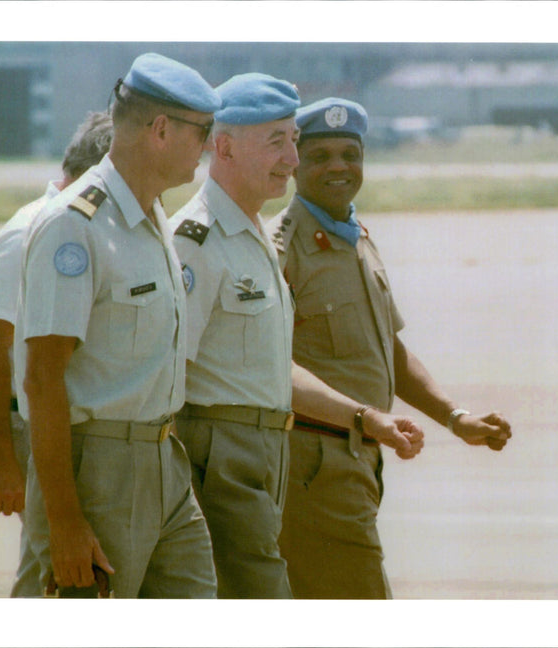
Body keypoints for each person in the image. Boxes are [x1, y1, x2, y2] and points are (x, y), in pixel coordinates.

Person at [169, 75, 424, 599]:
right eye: (277, 142)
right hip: (219, 464)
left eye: (292, 140)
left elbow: (271, 369)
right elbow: (169, 378)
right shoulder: (195, 240)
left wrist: (366, 418)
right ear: (224, 147)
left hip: (266, 460)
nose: (292, 157)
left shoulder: (252, 238)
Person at [268, 97, 513, 599]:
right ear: (294, 163)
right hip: (313, 464)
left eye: (349, 154)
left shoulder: (357, 236)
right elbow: (268, 365)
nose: (339, 167)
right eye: (320, 156)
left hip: (360, 458)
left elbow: (388, 351)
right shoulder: (279, 249)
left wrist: (454, 417)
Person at [12, 53, 221, 598]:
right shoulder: (75, 228)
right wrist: (65, 522)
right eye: (204, 132)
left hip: (163, 461)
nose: (208, 145)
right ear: (160, 130)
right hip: (98, 473)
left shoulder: (151, 215)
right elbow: (42, 379)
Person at [0, 111, 113, 597]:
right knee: (47, 565)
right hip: (32, 430)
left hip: (66, 428)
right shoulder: (28, 232)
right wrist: (0, 459)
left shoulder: (84, 227)